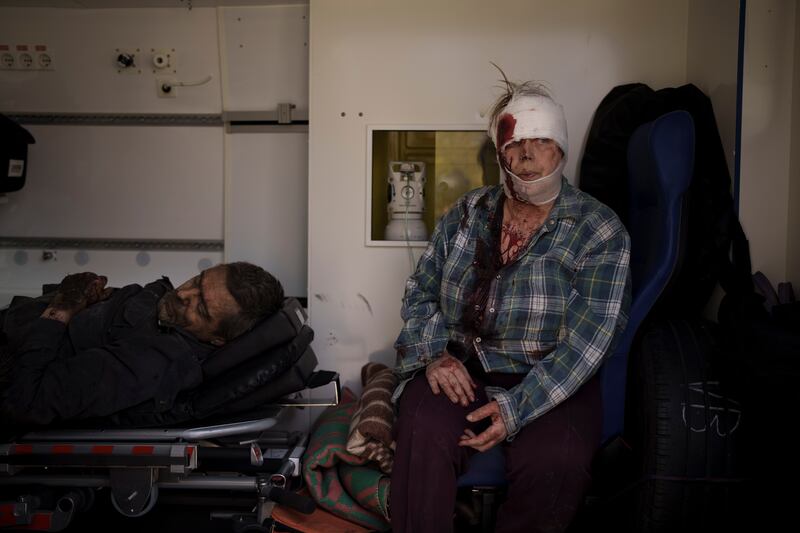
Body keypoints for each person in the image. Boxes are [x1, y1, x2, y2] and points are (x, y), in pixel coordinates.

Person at [390, 76, 631, 533]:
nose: (527, 153)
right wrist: (434, 355)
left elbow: (589, 342)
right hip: (463, 365)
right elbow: (420, 292)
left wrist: (517, 408)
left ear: (560, 148)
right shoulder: (466, 213)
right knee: (421, 427)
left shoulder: (599, 229)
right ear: (500, 153)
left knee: (556, 461)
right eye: (515, 142)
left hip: (551, 375)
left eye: (541, 140)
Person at [0, 261, 284, 426]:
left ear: (217, 339)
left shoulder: (152, 364)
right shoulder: (168, 319)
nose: (185, 295)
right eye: (198, 281)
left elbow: (25, 400)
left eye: (202, 309)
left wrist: (61, 308)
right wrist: (91, 298)